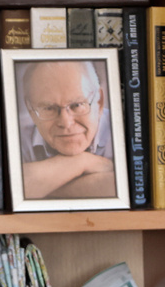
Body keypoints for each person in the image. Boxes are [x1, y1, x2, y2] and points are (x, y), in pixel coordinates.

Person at [18, 60, 118, 200]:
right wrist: (81, 163)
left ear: (99, 102)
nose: (66, 123)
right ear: (31, 111)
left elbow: (122, 188)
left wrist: (40, 186)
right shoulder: (15, 139)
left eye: (77, 105)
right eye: (49, 108)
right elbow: (7, 187)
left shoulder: (127, 133)